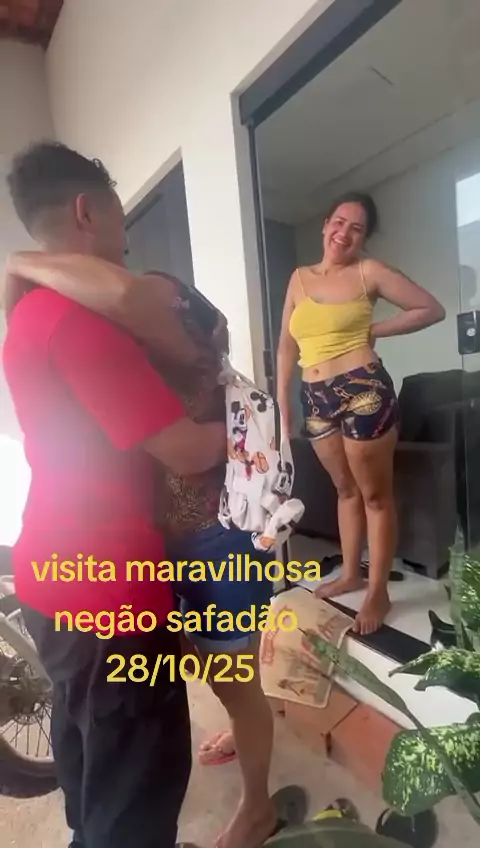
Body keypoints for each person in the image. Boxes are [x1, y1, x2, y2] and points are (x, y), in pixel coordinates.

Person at [2, 141, 228, 848]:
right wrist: (250, 425)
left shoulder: (25, 314)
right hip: (109, 593)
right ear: (86, 211)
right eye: (120, 220)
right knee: (138, 780)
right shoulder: (82, 325)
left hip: (46, 577)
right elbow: (187, 452)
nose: (125, 243)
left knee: (86, 745)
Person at [5, 266, 278, 848]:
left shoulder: (216, 385)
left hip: (218, 555)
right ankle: (241, 730)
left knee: (235, 683)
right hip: (162, 555)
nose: (127, 311)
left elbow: (199, 455)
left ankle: (258, 807)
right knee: (202, 673)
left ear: (189, 324)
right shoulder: (147, 369)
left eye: (148, 306)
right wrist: (19, 268)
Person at [277, 192, 445, 635]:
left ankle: (378, 591)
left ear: (364, 238)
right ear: (325, 225)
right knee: (344, 490)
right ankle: (350, 573)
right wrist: (282, 401)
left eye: (356, 228)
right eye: (338, 222)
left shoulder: (369, 272)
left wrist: (374, 329)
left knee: (375, 496)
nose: (344, 233)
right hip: (314, 396)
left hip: (363, 390)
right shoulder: (298, 279)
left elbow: (431, 309)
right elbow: (287, 345)